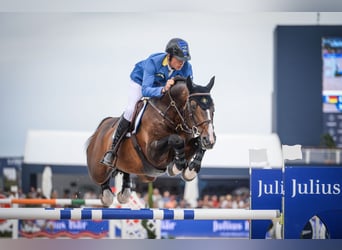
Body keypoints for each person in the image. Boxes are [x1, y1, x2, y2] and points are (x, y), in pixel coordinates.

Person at [101, 38, 193, 166]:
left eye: (184, 60)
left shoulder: (187, 67)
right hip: (141, 83)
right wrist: (163, 89)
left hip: (163, 87)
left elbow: (188, 90)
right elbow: (146, 90)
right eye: (178, 59)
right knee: (130, 110)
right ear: (169, 56)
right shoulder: (153, 62)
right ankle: (112, 149)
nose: (181, 63)